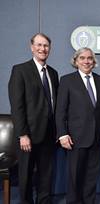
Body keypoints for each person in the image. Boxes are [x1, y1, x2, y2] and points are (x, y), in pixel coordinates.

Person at [55, 47, 100, 204]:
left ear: (94, 61)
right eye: (82, 58)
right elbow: (60, 111)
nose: (86, 61)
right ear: (76, 61)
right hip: (75, 138)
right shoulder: (66, 80)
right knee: (75, 176)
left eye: (89, 58)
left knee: (92, 175)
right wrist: (62, 134)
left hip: (96, 136)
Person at [8, 33, 59, 204]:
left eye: (46, 46)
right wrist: (22, 134)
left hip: (49, 134)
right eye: (39, 45)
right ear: (32, 47)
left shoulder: (53, 73)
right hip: (28, 135)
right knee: (26, 174)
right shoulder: (20, 70)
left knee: (46, 174)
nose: (42, 49)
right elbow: (17, 106)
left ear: (49, 49)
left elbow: (54, 103)